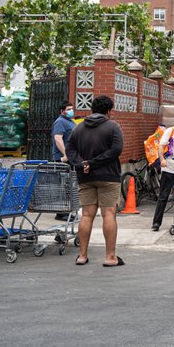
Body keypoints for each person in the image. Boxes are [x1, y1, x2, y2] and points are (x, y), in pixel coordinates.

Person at [66, 95, 125, 267]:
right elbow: (116, 150)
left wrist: (81, 164)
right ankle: (110, 257)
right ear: (108, 110)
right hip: (108, 177)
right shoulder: (113, 127)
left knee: (86, 215)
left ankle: (82, 256)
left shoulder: (78, 128)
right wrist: (93, 163)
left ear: (92, 109)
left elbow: (70, 149)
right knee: (108, 214)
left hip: (86, 177)